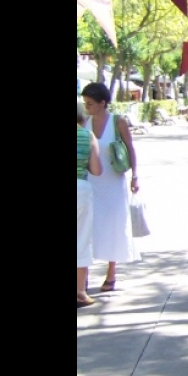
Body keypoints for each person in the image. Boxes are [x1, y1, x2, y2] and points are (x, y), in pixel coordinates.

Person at [81, 82, 141, 292]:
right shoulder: (85, 123)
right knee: (88, 228)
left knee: (114, 225)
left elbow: (130, 148)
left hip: (113, 182)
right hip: (91, 183)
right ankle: (84, 276)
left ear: (102, 103)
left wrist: (135, 175)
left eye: (90, 103)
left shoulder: (118, 121)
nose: (86, 106)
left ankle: (111, 273)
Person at [77, 107, 104, 308]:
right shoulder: (87, 136)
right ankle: (79, 291)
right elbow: (96, 170)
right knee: (82, 239)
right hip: (81, 190)